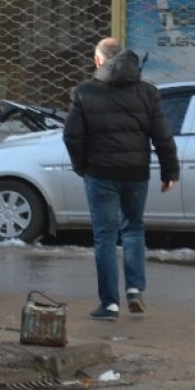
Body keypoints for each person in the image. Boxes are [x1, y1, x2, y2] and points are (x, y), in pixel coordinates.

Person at [62, 37, 178, 321]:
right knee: (134, 230)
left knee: (104, 236)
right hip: (136, 174)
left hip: (100, 174)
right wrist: (169, 172)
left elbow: (72, 135)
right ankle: (135, 290)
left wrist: (82, 166)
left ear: (98, 60)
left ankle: (109, 304)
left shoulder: (84, 92)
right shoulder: (147, 92)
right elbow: (162, 136)